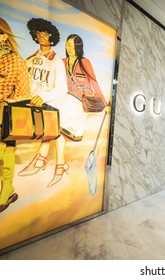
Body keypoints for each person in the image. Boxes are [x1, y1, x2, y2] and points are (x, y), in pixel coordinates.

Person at [18, 18, 68, 188]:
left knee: (54, 131)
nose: (41, 36)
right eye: (38, 33)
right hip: (29, 102)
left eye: (45, 33)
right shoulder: (29, 59)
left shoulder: (56, 61)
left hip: (49, 103)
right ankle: (52, 163)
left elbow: (62, 88)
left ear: (52, 37)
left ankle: (51, 164)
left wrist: (43, 97)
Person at [0, 17, 31, 212]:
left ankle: (6, 193)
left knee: (5, 157)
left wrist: (4, 102)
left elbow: (24, 93)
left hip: (4, 116)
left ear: (4, 36)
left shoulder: (16, 61)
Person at [61, 34, 108, 141]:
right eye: (68, 45)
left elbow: (93, 81)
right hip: (67, 97)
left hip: (82, 99)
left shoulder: (85, 62)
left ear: (79, 47)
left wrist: (103, 102)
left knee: (69, 130)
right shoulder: (62, 62)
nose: (71, 49)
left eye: (74, 46)